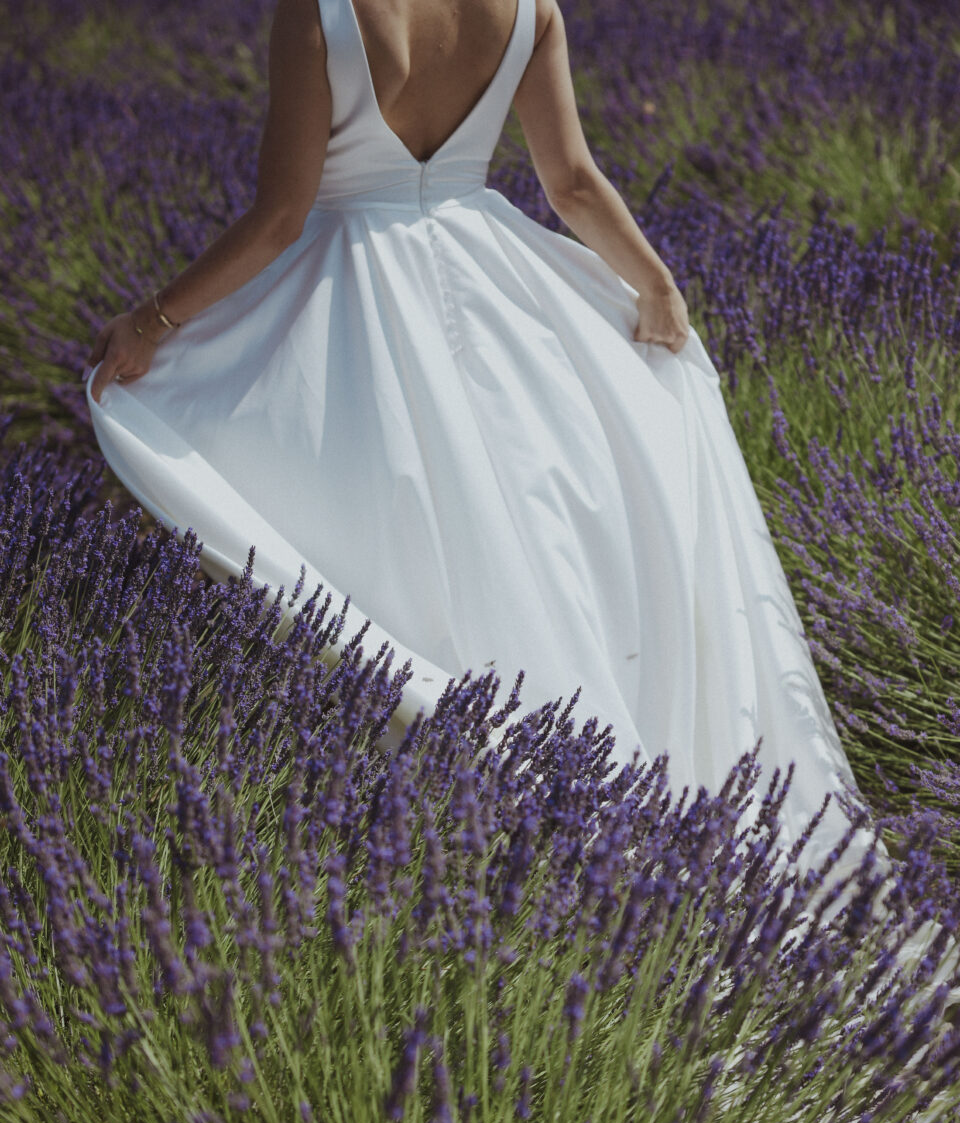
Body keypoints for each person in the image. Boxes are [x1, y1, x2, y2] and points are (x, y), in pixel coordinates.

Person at [85, 0, 933, 942]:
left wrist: (152, 322)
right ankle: (580, 831)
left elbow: (282, 217)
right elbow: (570, 183)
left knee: (371, 573)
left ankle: (427, 855)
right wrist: (656, 285)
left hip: (354, 314)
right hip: (493, 297)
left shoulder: (320, 10)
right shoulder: (529, 9)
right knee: (539, 557)